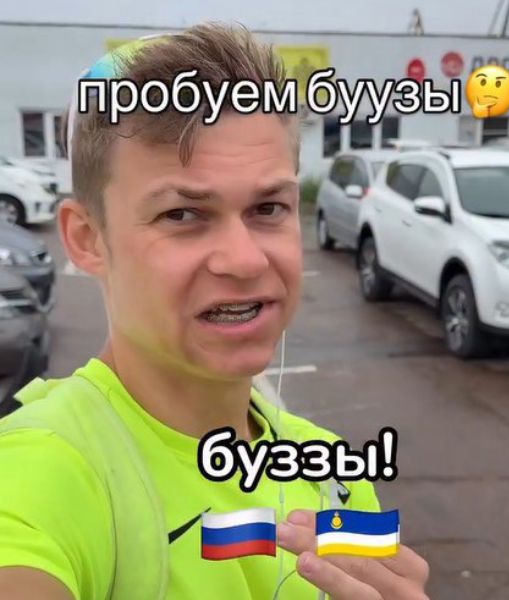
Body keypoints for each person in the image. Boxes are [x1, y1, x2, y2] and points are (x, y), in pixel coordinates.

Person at [0, 23, 429, 599]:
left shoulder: (334, 476)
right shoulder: (42, 471)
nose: (245, 260)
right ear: (87, 239)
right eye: (182, 214)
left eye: (269, 207)